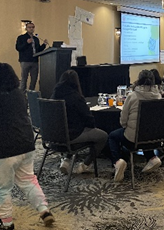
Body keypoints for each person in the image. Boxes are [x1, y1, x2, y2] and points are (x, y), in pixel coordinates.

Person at [0, 63, 55, 229]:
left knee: (3, 188)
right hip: (26, 143)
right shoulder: (19, 94)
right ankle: (44, 210)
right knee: (28, 181)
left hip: (6, 148)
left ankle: (5, 222)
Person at [108, 70, 162, 182]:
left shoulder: (132, 96)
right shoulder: (159, 97)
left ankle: (118, 161)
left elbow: (123, 120)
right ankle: (152, 157)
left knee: (112, 136)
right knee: (145, 131)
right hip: (155, 137)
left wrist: (125, 127)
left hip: (133, 139)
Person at [51, 70, 108, 175]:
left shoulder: (54, 95)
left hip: (53, 136)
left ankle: (66, 160)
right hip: (72, 136)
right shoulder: (76, 97)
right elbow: (88, 119)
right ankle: (85, 165)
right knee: (103, 136)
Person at [15, 22, 49, 92]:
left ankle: (31, 95)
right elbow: (18, 48)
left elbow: (38, 50)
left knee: (34, 79)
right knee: (24, 79)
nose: (31, 29)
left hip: (34, 61)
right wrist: (26, 43)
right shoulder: (21, 37)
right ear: (26, 28)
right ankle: (22, 96)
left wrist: (44, 45)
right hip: (25, 61)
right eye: (29, 27)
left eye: (33, 27)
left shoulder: (36, 39)